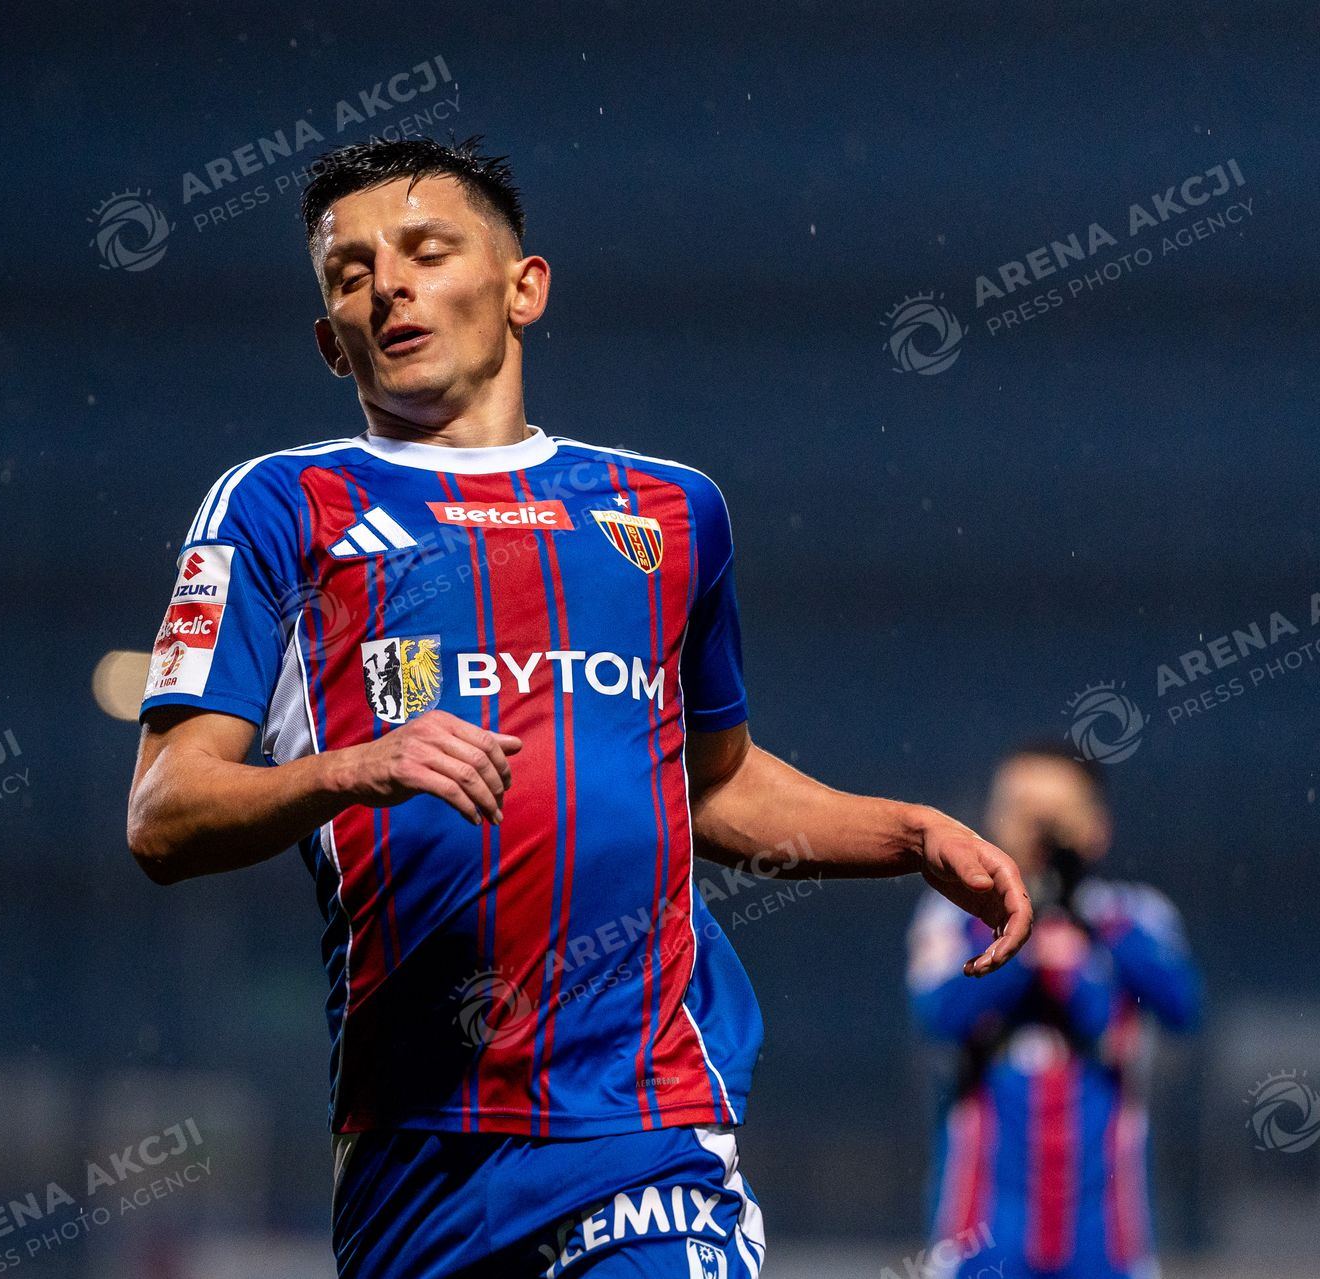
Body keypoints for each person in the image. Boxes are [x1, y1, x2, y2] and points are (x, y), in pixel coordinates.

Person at [126, 135, 1034, 1279]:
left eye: (425, 251)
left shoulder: (671, 512)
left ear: (524, 288)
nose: (389, 286)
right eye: (351, 275)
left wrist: (906, 833)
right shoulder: (276, 507)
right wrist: (351, 767)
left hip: (644, 1121)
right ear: (328, 338)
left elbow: (713, 783)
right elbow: (164, 812)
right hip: (413, 1148)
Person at [908, 742, 1200, 1279]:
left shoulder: (1135, 915)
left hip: (1107, 1234)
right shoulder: (954, 916)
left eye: (1057, 814)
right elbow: (939, 1014)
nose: (1039, 831)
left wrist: (1083, 922)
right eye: (1022, 811)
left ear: (1097, 826)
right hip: (982, 1233)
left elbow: (1182, 1005)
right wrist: (1027, 932)